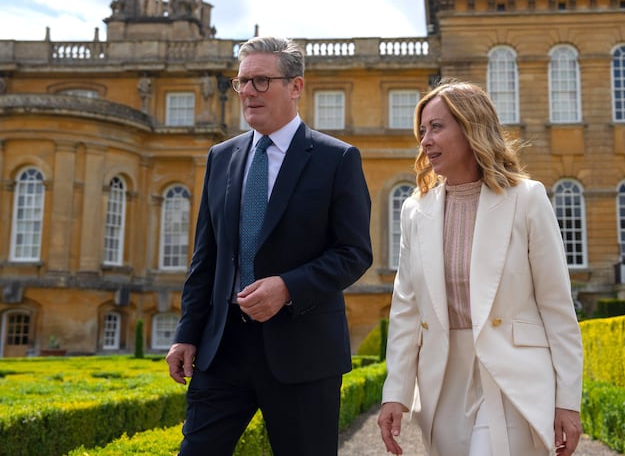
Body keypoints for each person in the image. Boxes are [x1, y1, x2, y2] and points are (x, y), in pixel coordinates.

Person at [166, 35, 373, 456]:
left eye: (261, 81)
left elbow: (354, 252)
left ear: (296, 87)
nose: (247, 92)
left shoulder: (337, 158)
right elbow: (206, 258)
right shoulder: (221, 157)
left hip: (302, 353)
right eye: (241, 81)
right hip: (222, 349)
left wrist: (287, 287)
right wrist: (187, 333)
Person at [377, 80, 583, 456]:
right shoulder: (414, 210)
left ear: (471, 128)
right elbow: (406, 310)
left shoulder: (527, 199)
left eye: (437, 127)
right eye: (422, 130)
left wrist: (568, 399)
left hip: (513, 374)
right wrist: (396, 394)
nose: (425, 140)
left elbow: (557, 306)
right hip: (443, 376)